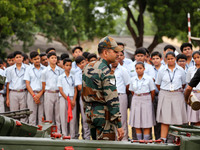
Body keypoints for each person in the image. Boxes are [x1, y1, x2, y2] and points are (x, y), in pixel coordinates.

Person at [82, 36, 124, 141]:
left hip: (90, 113)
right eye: (115, 51)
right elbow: (112, 100)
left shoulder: (88, 67)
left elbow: (84, 93)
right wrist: (119, 124)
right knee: (105, 146)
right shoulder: (106, 71)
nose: (117, 55)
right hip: (103, 116)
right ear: (105, 53)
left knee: (95, 146)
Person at [156, 52, 187, 143]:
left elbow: (183, 83)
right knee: (165, 118)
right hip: (165, 94)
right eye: (168, 59)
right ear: (166, 59)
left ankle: (177, 139)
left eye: (172, 58)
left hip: (177, 94)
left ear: (175, 58)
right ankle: (163, 139)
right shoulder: (162, 70)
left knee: (178, 118)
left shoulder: (181, 70)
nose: (170, 61)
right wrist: (167, 90)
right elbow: (158, 84)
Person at [129, 62, 155, 140]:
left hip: (146, 98)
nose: (139, 70)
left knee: (146, 120)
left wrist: (148, 99)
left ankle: (146, 141)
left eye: (140, 68)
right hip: (136, 99)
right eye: (137, 68)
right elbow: (132, 91)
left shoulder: (149, 78)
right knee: (137, 121)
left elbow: (152, 91)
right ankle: (139, 140)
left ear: (144, 69)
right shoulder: (133, 79)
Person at [41, 52, 63, 133]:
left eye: (55, 58)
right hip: (48, 93)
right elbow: (43, 84)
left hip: (58, 93)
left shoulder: (60, 70)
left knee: (58, 116)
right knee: (48, 115)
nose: (54, 59)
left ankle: (58, 132)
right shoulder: (44, 71)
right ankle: (49, 133)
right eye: (52, 58)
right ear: (48, 59)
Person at [24, 51, 46, 125]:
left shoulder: (45, 69)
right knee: (32, 116)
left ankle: (41, 134)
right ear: (31, 60)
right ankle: (32, 135)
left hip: (42, 94)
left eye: (38, 58)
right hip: (31, 94)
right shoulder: (28, 69)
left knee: (41, 116)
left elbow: (46, 84)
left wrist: (40, 94)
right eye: (35, 59)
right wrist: (34, 96)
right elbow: (27, 84)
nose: (37, 60)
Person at [6, 51, 28, 122]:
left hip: (23, 92)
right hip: (13, 93)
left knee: (23, 113)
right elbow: (8, 84)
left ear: (22, 58)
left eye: (20, 57)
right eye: (17, 57)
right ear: (14, 59)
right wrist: (7, 98)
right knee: (14, 113)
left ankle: (23, 131)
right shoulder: (9, 70)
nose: (18, 59)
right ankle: (15, 131)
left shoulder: (27, 68)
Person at [111, 59, 130, 141]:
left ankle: (124, 140)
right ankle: (114, 139)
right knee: (112, 118)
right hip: (110, 97)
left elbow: (128, 85)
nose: (114, 62)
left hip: (120, 95)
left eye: (115, 60)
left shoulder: (123, 70)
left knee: (122, 118)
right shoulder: (107, 70)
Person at [57, 58, 77, 137]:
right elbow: (61, 90)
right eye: (67, 65)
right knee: (63, 117)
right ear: (63, 66)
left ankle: (72, 135)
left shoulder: (73, 76)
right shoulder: (60, 77)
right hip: (63, 98)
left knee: (72, 118)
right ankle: (64, 134)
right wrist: (68, 99)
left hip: (72, 98)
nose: (69, 67)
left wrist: (73, 100)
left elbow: (75, 90)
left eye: (70, 65)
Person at [75, 56, 90, 140]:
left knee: (92, 117)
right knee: (84, 118)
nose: (82, 65)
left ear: (86, 61)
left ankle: (93, 137)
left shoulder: (91, 71)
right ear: (77, 65)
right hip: (83, 96)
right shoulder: (77, 73)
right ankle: (86, 137)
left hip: (93, 97)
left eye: (83, 62)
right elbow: (79, 87)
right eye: (80, 64)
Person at [151, 51, 165, 139]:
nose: (155, 60)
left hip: (163, 95)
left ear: (161, 59)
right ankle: (157, 138)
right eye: (153, 59)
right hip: (153, 96)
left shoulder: (164, 69)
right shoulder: (149, 69)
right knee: (156, 119)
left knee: (164, 118)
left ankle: (164, 138)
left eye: (157, 58)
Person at [185, 51, 200, 126]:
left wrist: (186, 98)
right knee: (195, 119)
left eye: (198, 57)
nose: (197, 59)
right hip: (194, 94)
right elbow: (189, 85)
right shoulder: (191, 69)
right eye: (195, 58)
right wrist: (188, 97)